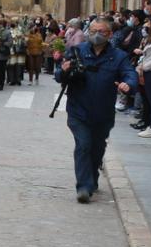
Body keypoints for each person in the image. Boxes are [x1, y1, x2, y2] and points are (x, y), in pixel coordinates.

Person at [56, 17, 137, 203]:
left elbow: (129, 73)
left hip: (103, 112)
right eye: (92, 31)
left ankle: (92, 177)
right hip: (78, 110)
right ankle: (84, 186)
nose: (96, 35)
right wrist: (64, 70)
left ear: (109, 34)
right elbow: (59, 76)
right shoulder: (77, 51)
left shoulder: (118, 56)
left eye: (101, 31)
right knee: (83, 145)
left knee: (97, 147)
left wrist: (128, 84)